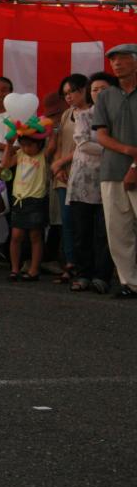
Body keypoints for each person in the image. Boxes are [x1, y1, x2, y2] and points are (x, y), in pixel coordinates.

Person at [92, 44, 137, 298]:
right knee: (118, 231)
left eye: (122, 59)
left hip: (133, 169)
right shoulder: (106, 96)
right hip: (111, 171)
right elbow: (101, 135)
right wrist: (130, 151)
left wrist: (135, 165)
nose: (116, 64)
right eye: (113, 61)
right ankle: (129, 283)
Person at [67, 73, 116, 293]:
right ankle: (83, 274)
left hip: (109, 179)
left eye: (103, 89)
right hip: (82, 182)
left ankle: (103, 276)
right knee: (82, 232)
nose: (98, 93)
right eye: (94, 89)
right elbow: (84, 144)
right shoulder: (83, 116)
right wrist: (117, 150)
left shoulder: (119, 116)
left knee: (105, 232)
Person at [49, 74, 90, 283]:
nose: (68, 97)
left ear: (84, 90)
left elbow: (87, 145)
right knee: (66, 223)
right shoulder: (66, 114)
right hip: (63, 176)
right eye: (65, 93)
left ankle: (85, 267)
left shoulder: (93, 113)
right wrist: (58, 167)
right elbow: (58, 143)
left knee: (83, 223)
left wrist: (60, 162)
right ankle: (70, 264)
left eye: (72, 91)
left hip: (85, 175)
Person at [2, 132, 49, 281]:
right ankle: (15, 269)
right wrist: (9, 145)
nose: (26, 148)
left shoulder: (43, 155)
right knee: (16, 235)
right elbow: (5, 164)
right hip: (19, 198)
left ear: (39, 144)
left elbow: (52, 144)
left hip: (35, 199)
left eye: (30, 145)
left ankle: (34, 270)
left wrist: (51, 133)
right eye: (23, 145)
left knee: (35, 235)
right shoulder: (21, 153)